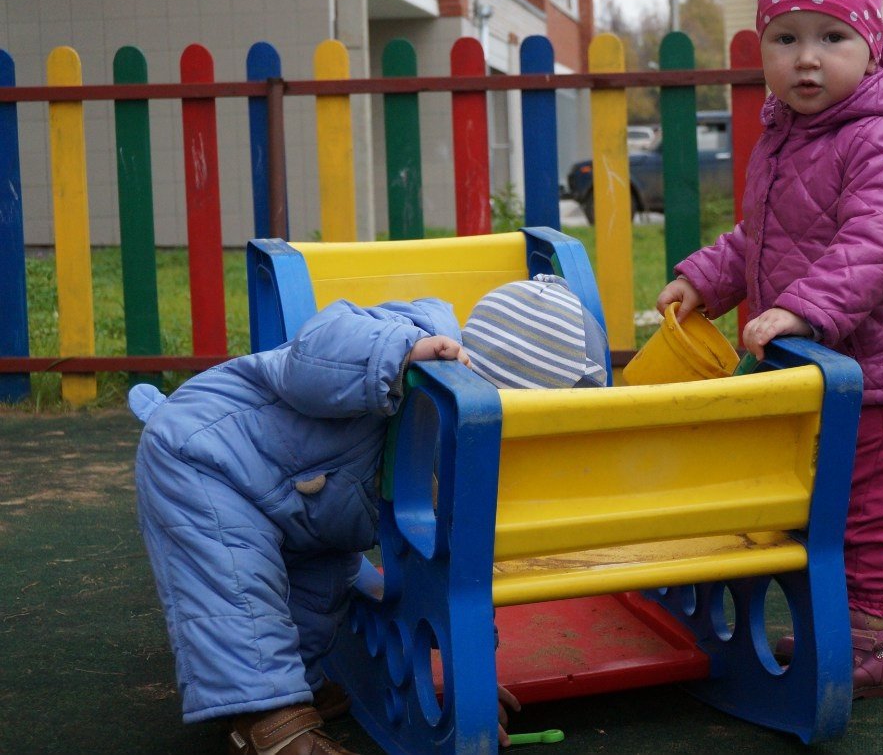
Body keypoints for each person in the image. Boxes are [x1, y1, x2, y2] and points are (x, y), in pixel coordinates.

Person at [656, 0, 883, 701]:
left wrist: (802, 309)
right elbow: (763, 235)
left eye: (831, 36)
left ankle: (865, 645)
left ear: (872, 42)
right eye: (785, 38)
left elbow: (877, 242)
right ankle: (832, 626)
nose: (807, 58)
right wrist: (706, 280)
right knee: (817, 509)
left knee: (863, 519)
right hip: (825, 372)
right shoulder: (790, 134)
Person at [130, 275, 607, 755]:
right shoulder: (417, 332)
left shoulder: (465, 448)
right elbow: (313, 349)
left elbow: (442, 570)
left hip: (313, 515)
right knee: (237, 587)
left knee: (318, 600)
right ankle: (268, 722)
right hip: (210, 460)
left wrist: (473, 691)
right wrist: (398, 352)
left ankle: (298, 682)